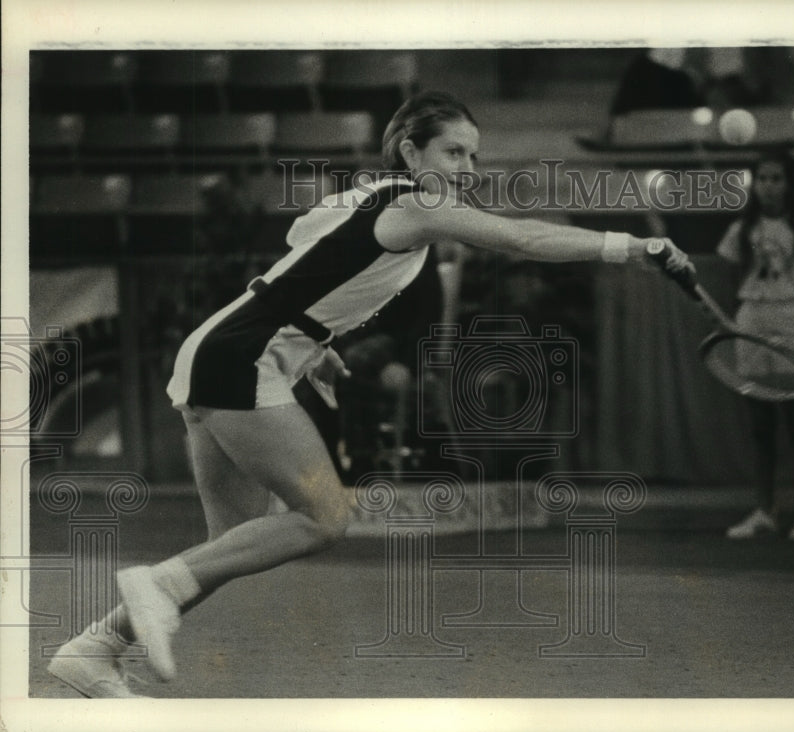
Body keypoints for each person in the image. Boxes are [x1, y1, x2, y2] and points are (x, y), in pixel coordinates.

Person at [47, 90, 692, 697]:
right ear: (412, 154)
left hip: (223, 347)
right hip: (241, 358)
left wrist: (313, 344)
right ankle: (152, 585)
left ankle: (96, 648)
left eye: (474, 155)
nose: (468, 167)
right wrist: (629, 244)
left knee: (231, 544)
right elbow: (522, 236)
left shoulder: (371, 197)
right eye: (454, 152)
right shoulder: (416, 204)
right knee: (326, 517)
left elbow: (302, 250)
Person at [717, 150, 794, 541]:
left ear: (790, 184)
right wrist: (750, 315)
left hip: (791, 319)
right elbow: (733, 279)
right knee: (761, 428)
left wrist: (792, 314)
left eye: (777, 178)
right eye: (762, 179)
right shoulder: (740, 229)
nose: (769, 186)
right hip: (752, 320)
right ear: (754, 184)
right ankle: (766, 510)